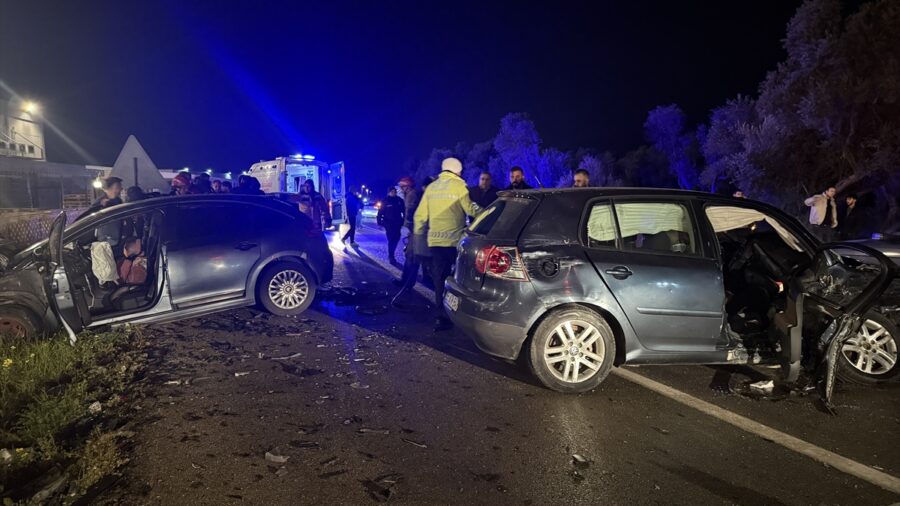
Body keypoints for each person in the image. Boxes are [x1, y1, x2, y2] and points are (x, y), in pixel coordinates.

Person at [414, 157, 480, 331]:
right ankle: (456, 313)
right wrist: (486, 214)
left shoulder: (431, 187)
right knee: (457, 278)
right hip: (454, 242)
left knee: (439, 278)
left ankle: (440, 316)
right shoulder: (459, 186)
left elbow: (420, 216)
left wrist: (418, 237)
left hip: (435, 242)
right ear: (456, 170)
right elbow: (470, 209)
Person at [377, 187, 405, 265]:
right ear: (389, 192)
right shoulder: (385, 201)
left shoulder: (399, 201)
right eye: (392, 191)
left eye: (394, 191)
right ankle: (391, 256)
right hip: (388, 224)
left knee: (396, 239)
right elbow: (380, 212)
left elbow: (404, 212)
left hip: (397, 223)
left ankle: (392, 253)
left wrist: (403, 221)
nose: (393, 193)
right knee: (391, 239)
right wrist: (379, 222)